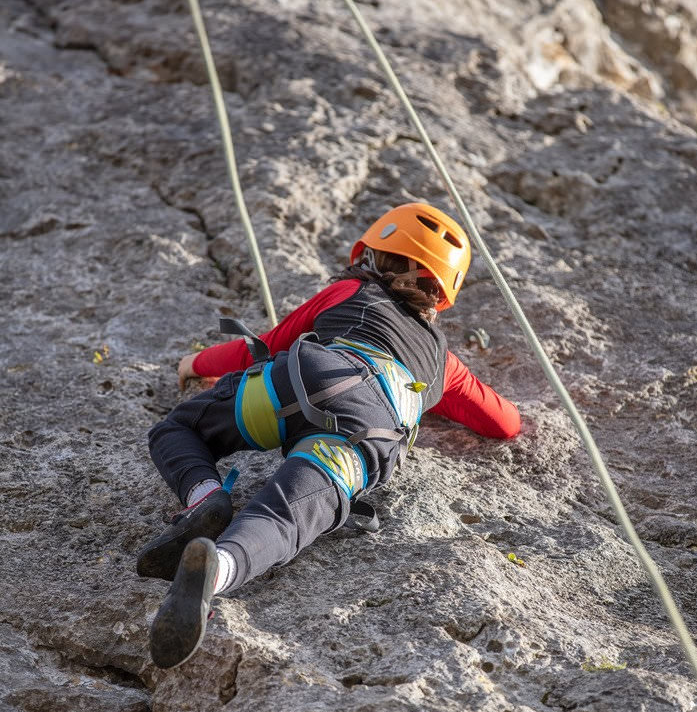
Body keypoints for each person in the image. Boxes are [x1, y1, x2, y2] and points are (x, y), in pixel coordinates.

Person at [138, 202, 521, 669]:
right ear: (440, 294)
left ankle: (204, 497)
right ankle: (216, 571)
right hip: (368, 428)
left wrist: (195, 363)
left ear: (372, 255)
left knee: (178, 429)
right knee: (284, 518)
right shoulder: (444, 364)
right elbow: (504, 423)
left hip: (304, 380)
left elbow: (264, 345)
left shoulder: (349, 291)